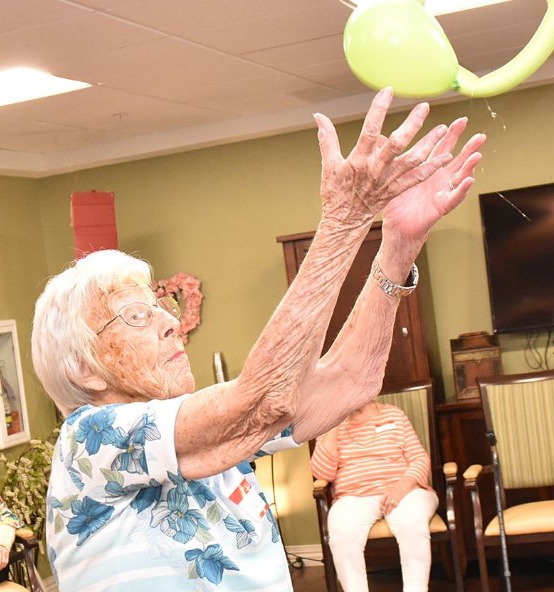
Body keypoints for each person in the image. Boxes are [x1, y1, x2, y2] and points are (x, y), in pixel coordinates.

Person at [31, 87, 485, 591]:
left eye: (163, 305)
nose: (169, 322)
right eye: (136, 315)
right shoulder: (89, 440)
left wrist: (398, 248)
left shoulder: (215, 438)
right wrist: (345, 219)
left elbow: (349, 383)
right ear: (85, 369)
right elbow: (266, 396)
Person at [310, 400, 438, 592]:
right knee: (342, 532)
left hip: (405, 491)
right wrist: (333, 423)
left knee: (411, 521)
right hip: (353, 496)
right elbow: (322, 474)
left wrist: (401, 486)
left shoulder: (394, 415)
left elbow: (419, 458)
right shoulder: (329, 425)